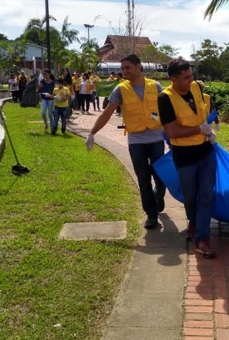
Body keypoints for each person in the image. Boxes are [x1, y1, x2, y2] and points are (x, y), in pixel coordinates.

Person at [85, 54, 166, 230]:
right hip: (136, 140)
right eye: (122, 68)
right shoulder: (121, 89)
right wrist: (92, 133)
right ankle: (151, 215)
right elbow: (107, 113)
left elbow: (167, 110)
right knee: (143, 178)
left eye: (127, 68)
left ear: (139, 67)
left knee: (160, 175)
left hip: (157, 139)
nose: (124, 71)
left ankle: (159, 195)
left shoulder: (155, 86)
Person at [159, 58, 217, 258]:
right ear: (173, 79)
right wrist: (199, 129)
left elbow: (203, 114)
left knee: (207, 195)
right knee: (190, 196)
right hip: (185, 157)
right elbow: (172, 131)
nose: (190, 80)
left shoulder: (196, 88)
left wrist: (209, 131)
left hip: (207, 152)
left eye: (191, 75)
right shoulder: (165, 98)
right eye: (185, 77)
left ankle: (203, 238)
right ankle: (193, 221)